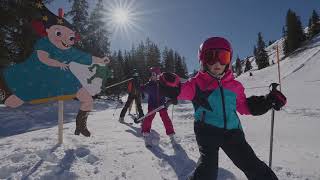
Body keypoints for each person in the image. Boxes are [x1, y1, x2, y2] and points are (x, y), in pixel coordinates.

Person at [159, 37, 287, 180]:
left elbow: (244, 106)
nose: (217, 63)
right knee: (207, 171)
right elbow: (181, 90)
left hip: (232, 132)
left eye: (223, 57)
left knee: (252, 165)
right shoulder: (196, 84)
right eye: (210, 57)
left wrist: (267, 101)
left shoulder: (235, 86)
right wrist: (171, 87)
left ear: (229, 60)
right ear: (203, 60)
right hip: (207, 131)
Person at [0, 4, 110, 137]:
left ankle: (81, 125)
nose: (65, 40)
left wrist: (100, 60)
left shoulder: (70, 50)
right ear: (48, 31)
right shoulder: (44, 43)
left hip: (66, 82)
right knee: (13, 102)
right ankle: (3, 89)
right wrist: (57, 63)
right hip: (38, 79)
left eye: (70, 37)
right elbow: (43, 58)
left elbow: (86, 57)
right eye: (58, 33)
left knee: (88, 100)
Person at [141, 67, 176, 147]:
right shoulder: (149, 85)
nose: (154, 76)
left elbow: (170, 90)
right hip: (152, 105)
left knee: (166, 119)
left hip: (161, 105)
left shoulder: (162, 84)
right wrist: (138, 85)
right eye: (152, 74)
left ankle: (171, 135)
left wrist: (172, 98)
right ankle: (146, 134)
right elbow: (142, 89)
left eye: (156, 74)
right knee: (148, 118)